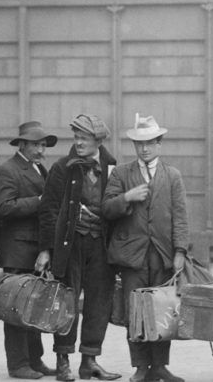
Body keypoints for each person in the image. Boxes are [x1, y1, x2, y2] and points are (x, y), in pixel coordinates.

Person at [103, 114, 189, 382]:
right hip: (132, 257)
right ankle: (141, 366)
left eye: (150, 143)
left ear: (159, 144)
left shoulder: (172, 175)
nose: (144, 148)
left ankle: (160, 366)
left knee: (164, 311)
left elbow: (180, 216)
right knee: (136, 312)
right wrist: (126, 198)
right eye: (139, 143)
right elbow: (105, 209)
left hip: (163, 256)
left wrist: (180, 252)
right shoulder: (121, 173)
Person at [39, 115, 121, 381]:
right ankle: (63, 360)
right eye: (76, 138)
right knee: (65, 304)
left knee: (99, 304)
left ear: (98, 141)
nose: (78, 143)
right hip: (69, 246)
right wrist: (46, 249)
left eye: (84, 138)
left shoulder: (112, 167)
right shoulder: (62, 168)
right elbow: (48, 211)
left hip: (101, 247)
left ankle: (90, 361)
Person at [0, 121, 59, 379]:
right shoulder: (8, 170)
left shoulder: (38, 168)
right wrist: (40, 202)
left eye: (43, 145)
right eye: (36, 145)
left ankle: (35, 360)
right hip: (18, 250)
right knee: (17, 309)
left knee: (34, 308)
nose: (42, 150)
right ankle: (19, 365)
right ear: (22, 144)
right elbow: (3, 208)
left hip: (34, 250)